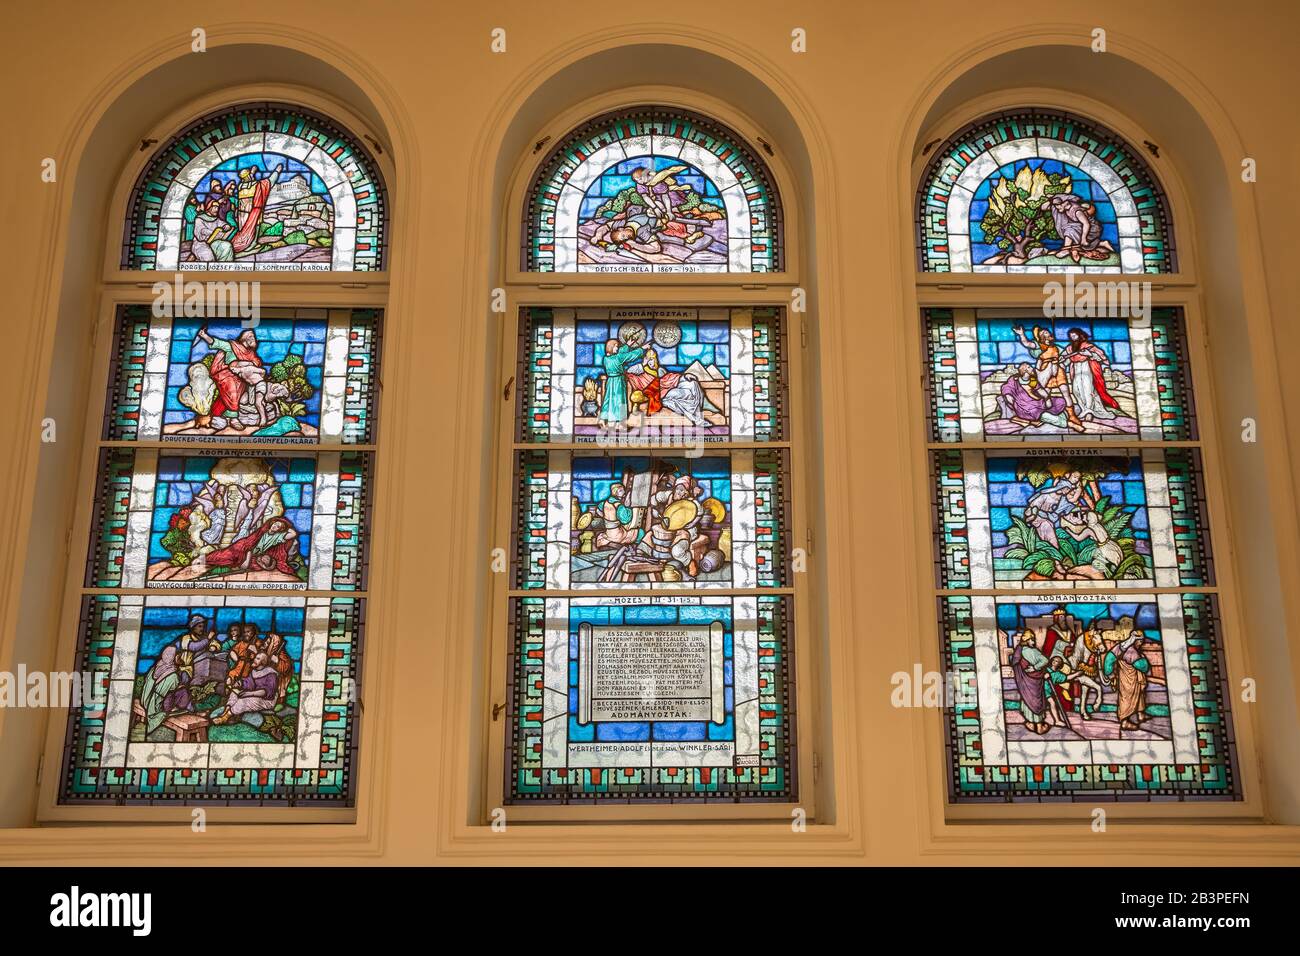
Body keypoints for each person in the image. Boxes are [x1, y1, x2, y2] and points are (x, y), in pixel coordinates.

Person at [1013, 325, 1084, 431]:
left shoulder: (1057, 347)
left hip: (1058, 370)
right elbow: (1027, 343)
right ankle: (1041, 412)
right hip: (1045, 371)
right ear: (1041, 336)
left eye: (1047, 332)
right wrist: (1022, 334)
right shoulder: (1038, 345)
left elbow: (1065, 357)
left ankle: (1072, 416)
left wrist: (1063, 363)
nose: (1048, 333)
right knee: (1044, 393)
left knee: (1066, 393)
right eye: (1045, 332)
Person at [196, 326, 264, 431]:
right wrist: (204, 335)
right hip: (226, 375)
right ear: (247, 339)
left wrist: (253, 365)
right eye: (252, 337)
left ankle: (216, 415)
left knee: (225, 397)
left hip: (241, 378)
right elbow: (217, 343)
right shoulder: (231, 346)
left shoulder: (251, 354)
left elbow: (256, 363)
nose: (255, 340)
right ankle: (233, 419)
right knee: (232, 393)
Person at [203, 515, 300, 577]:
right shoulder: (262, 531)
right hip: (243, 548)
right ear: (271, 523)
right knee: (227, 555)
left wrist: (287, 526)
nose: (275, 526)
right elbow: (249, 544)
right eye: (275, 523)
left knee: (253, 566)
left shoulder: (278, 537)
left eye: (278, 526)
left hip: (253, 555)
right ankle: (205, 559)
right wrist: (246, 560)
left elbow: (293, 533)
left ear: (280, 530)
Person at [1063, 327, 1121, 422]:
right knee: (1076, 391)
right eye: (1071, 336)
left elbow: (1101, 357)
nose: (1073, 337)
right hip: (1076, 369)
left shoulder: (1089, 346)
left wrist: (1089, 354)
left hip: (1087, 368)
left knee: (1088, 390)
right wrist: (1061, 360)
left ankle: (1089, 411)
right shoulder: (1070, 348)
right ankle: (1084, 409)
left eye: (1074, 335)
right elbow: (1065, 359)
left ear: (1080, 335)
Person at [229, 164, 283, 254]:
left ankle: (247, 244)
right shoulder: (257, 185)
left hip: (241, 214)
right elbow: (270, 181)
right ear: (248, 176)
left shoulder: (240, 186)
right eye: (250, 174)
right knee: (254, 228)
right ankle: (251, 245)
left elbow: (249, 181)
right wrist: (277, 172)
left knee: (244, 230)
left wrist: (252, 172)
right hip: (254, 212)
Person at [1104, 629, 1151, 731]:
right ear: (1135, 640)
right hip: (1128, 679)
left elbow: (1109, 658)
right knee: (1127, 698)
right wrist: (1144, 659)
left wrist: (1109, 673)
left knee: (1139, 694)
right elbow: (1143, 666)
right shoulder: (1131, 652)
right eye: (1140, 641)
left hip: (1132, 677)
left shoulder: (1120, 647)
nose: (1141, 643)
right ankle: (1124, 722)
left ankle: (1140, 715)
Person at [996, 363, 1068, 429]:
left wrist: (1047, 397)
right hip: (1025, 407)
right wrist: (1008, 395)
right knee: (1037, 412)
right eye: (1029, 367)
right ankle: (1065, 423)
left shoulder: (1032, 380)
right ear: (1025, 370)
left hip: (1037, 402)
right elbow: (1006, 387)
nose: (1032, 368)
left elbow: (1040, 391)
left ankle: (1045, 418)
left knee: (1060, 401)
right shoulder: (1014, 380)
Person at [598, 338, 648, 425]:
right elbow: (631, 355)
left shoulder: (606, 359)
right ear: (611, 347)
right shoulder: (618, 358)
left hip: (610, 381)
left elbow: (619, 353)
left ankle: (603, 418)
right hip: (618, 381)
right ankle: (619, 422)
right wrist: (642, 349)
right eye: (616, 346)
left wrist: (627, 345)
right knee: (619, 400)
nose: (617, 348)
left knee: (608, 399)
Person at [1010, 630, 1051, 734]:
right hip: (1034, 681)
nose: (1034, 642)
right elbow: (1045, 660)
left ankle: (1031, 724)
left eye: (1034, 639)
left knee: (1028, 700)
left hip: (1025, 682)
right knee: (1036, 701)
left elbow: (1016, 665)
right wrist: (1036, 667)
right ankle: (1039, 726)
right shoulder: (1031, 651)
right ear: (1027, 640)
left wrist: (1033, 668)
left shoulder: (1019, 651)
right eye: (1032, 639)